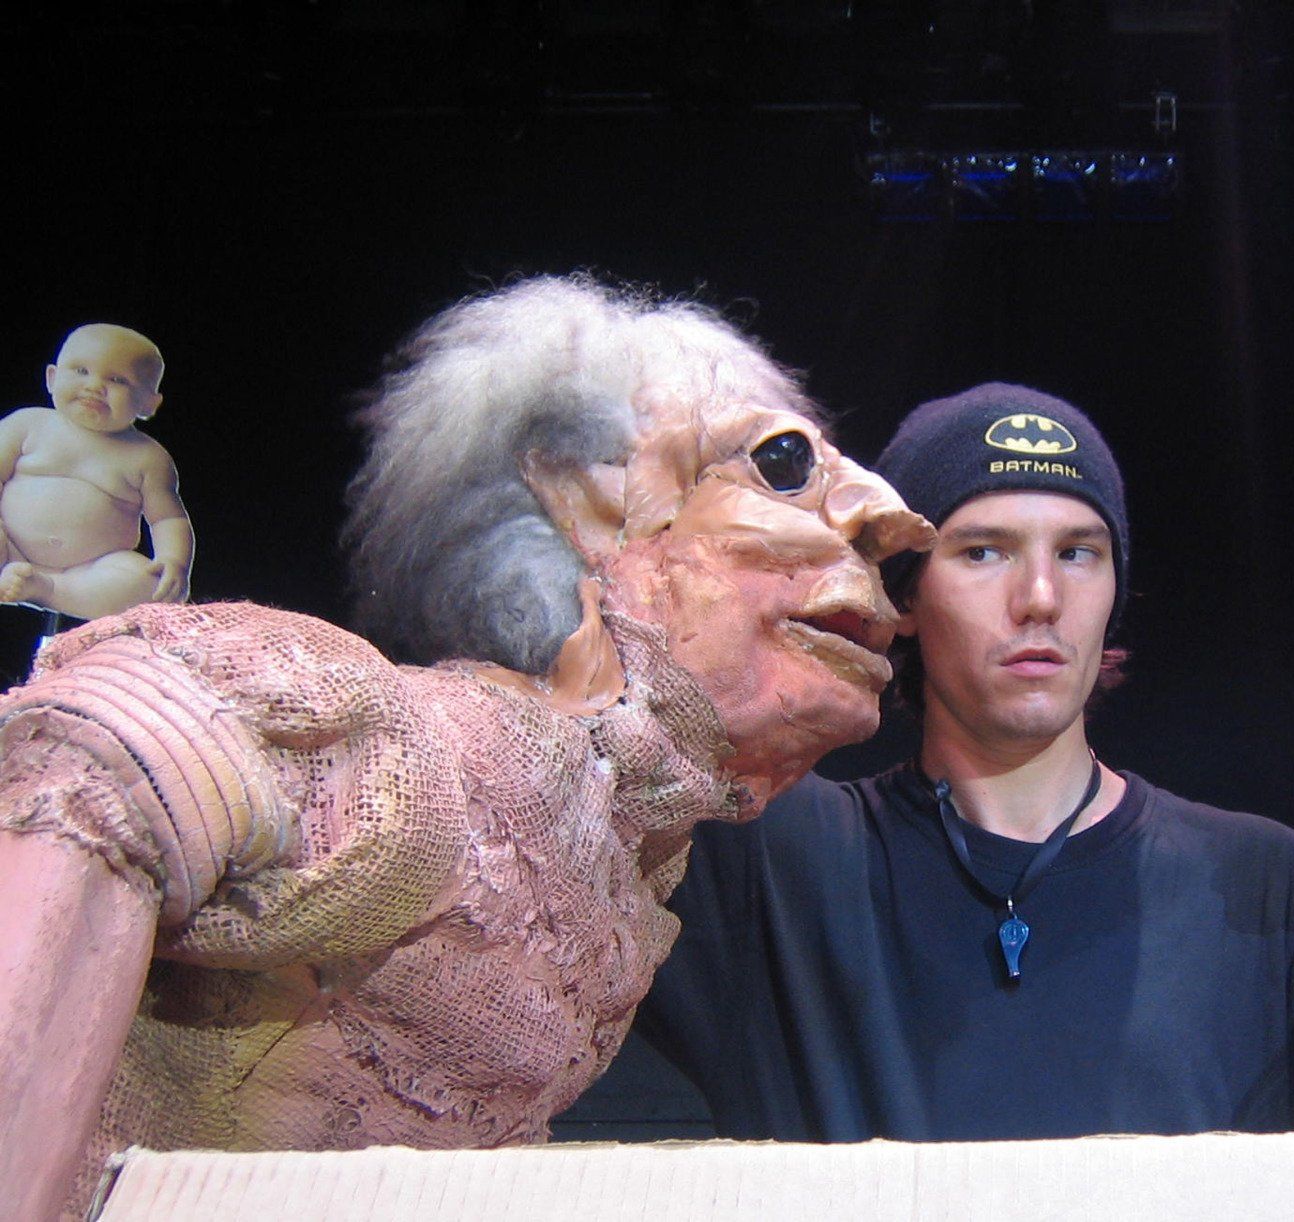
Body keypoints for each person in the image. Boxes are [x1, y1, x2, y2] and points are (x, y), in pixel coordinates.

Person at [0, 275, 931, 1221]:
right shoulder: (424, 758)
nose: (892, 516)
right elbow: (96, 763)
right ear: (587, 503)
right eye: (782, 465)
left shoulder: (619, 861)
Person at [637, 381, 1294, 1141]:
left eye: (1078, 553)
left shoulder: (1267, 891)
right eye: (983, 551)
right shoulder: (768, 860)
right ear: (900, 598)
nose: (1041, 596)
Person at [0, 323, 193, 619]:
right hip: (8, 548)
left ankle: (49, 590)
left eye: (117, 380)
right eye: (81, 371)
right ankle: (13, 578)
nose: (95, 387)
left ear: (148, 403)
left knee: (148, 584)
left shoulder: (148, 457)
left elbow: (168, 518)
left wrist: (173, 560)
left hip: (92, 571)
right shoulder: (26, 425)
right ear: (52, 378)